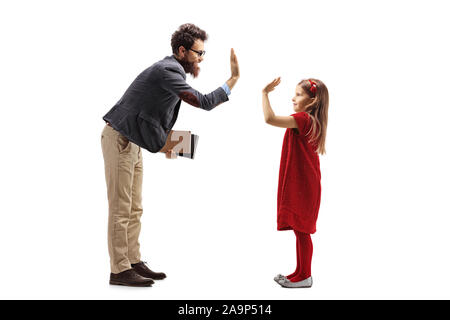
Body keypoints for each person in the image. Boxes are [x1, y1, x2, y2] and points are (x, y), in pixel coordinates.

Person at [101, 23, 240, 287]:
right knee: (121, 208)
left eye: (203, 53)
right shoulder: (168, 71)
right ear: (182, 50)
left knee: (135, 207)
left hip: (133, 141)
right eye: (198, 53)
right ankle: (119, 270)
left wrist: (177, 145)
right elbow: (204, 102)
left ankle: (132, 261)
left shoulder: (172, 71)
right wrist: (233, 79)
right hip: (119, 139)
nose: (201, 58)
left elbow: (155, 116)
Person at [262, 77, 329, 288]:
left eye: (299, 94)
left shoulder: (303, 119)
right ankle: (300, 272)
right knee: (301, 231)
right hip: (306, 183)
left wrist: (264, 94)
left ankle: (305, 276)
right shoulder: (310, 120)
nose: (293, 98)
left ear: (312, 100)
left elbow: (269, 118)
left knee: (303, 231)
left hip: (304, 185)